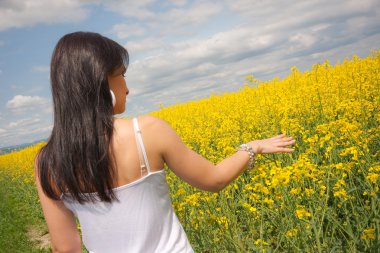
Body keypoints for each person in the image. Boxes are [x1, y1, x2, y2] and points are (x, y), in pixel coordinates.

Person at [35, 31, 296, 253]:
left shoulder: (47, 163)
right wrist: (253, 147)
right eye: (121, 75)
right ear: (100, 79)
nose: (127, 88)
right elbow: (214, 179)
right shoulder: (147, 132)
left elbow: (66, 248)